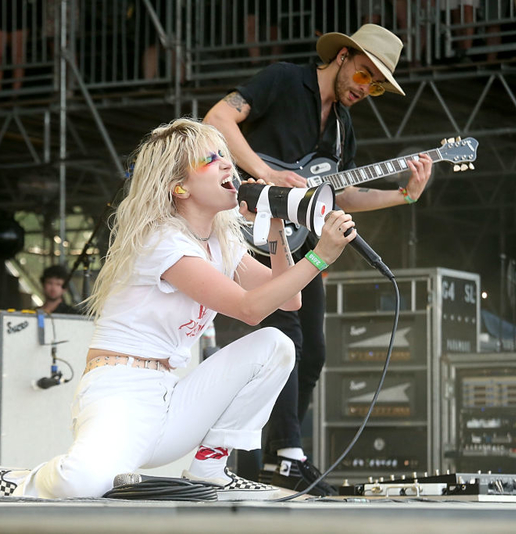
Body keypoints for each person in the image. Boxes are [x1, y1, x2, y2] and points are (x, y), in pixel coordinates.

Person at [0, 118, 357, 500]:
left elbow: (287, 299)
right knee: (85, 482)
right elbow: (249, 308)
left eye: (224, 155)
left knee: (276, 344)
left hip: (169, 395)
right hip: (119, 390)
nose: (226, 165)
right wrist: (319, 256)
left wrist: (274, 229)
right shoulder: (163, 240)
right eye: (210, 158)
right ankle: (16, 482)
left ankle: (211, 469)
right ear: (179, 187)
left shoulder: (222, 243)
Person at [203, 24, 433, 496]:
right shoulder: (286, 79)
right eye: (364, 74)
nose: (364, 88)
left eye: (375, 86)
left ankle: (278, 453)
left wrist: (404, 196)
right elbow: (216, 121)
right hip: (249, 230)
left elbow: (339, 193)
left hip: (303, 241)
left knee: (314, 351)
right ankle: (285, 457)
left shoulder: (344, 128)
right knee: (281, 334)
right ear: (343, 55)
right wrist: (268, 174)